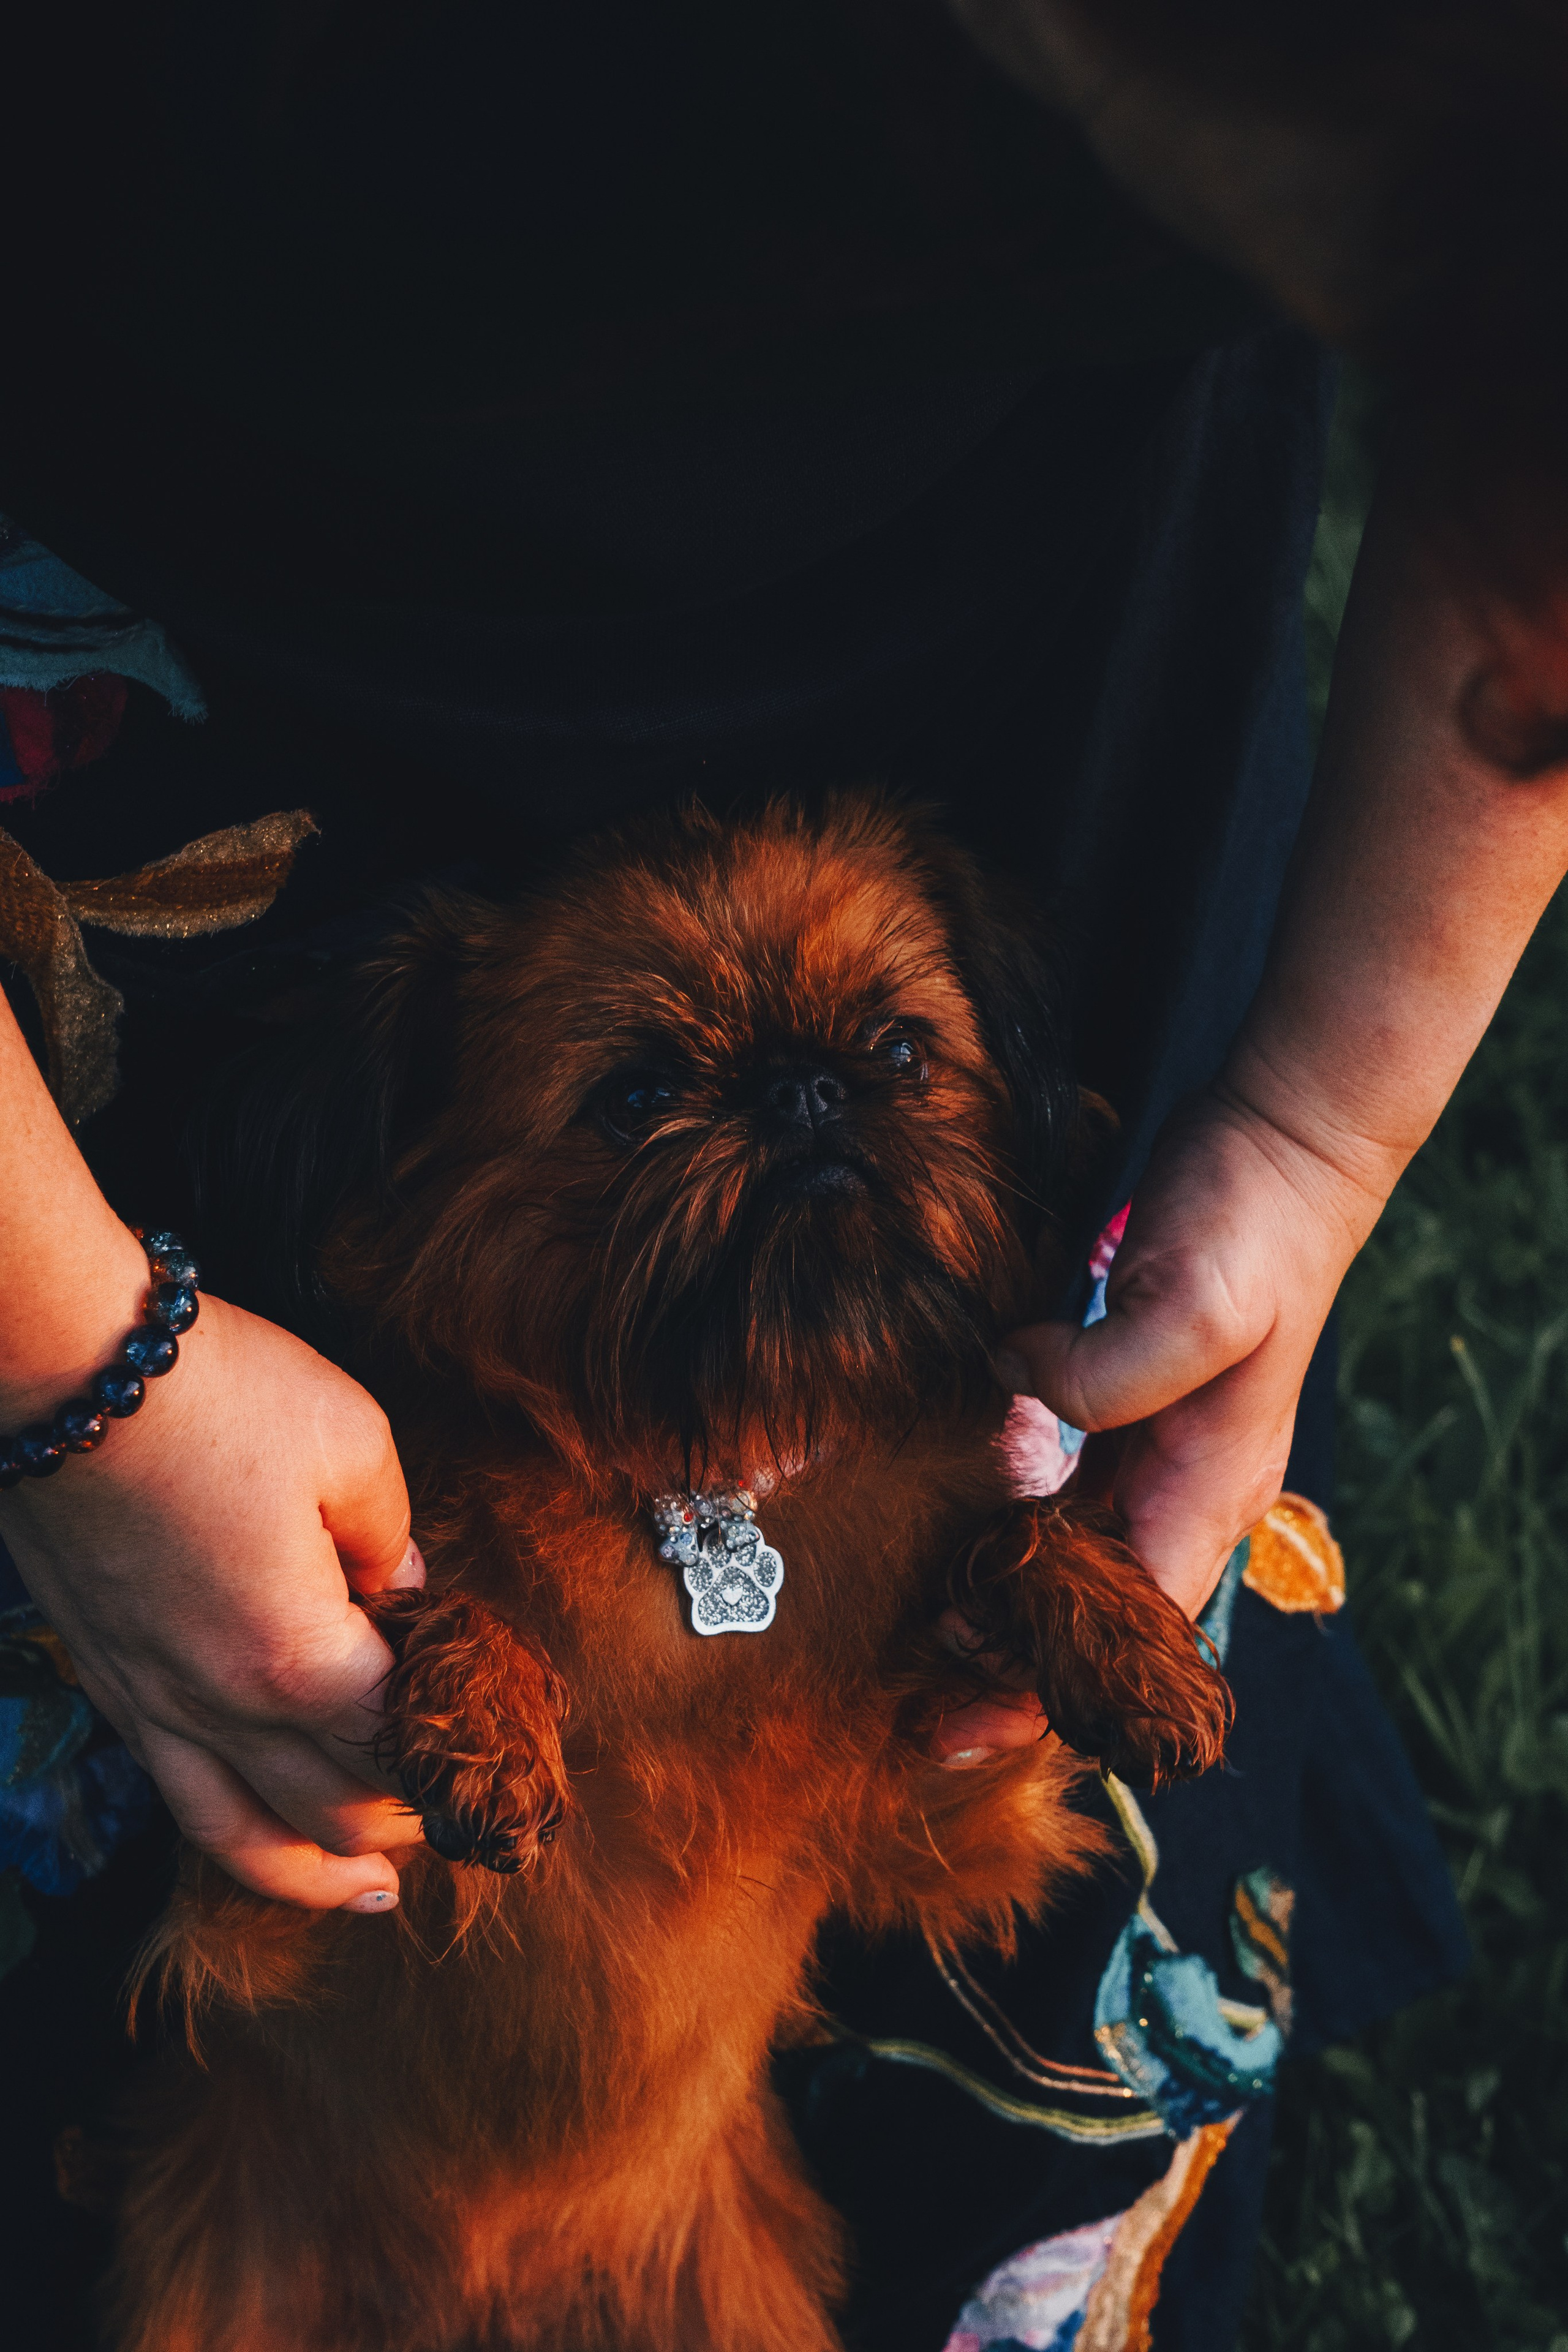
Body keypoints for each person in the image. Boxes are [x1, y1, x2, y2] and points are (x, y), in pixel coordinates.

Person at [0, 2, 1562, 2345]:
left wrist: (1317, 1139)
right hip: (194, 609)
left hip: (1059, 612)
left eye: (890, 1066)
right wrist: (68, 1357)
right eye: (653, 1103)